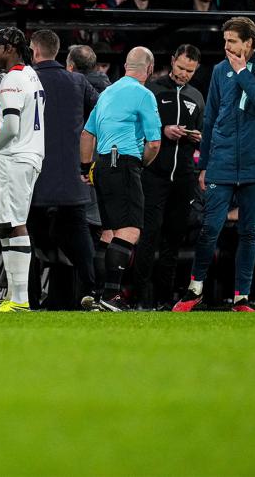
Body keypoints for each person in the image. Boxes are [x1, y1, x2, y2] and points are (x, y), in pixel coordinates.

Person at [175, 17, 255, 312]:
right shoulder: (219, 70)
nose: (226, 47)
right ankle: (194, 290)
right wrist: (205, 163)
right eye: (224, 41)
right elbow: (211, 117)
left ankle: (241, 298)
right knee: (209, 227)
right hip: (223, 159)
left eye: (232, 41)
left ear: (249, 42)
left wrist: (242, 72)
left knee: (249, 231)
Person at [80, 47, 163, 311]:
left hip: (102, 164)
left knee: (109, 231)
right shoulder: (144, 95)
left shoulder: (107, 93)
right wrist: (141, 163)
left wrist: (86, 169)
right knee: (130, 231)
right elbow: (154, 143)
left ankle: (97, 294)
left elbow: (86, 135)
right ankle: (111, 297)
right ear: (149, 69)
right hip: (124, 161)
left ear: (127, 66)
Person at [0, 27, 45, 313]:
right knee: (7, 225)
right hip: (28, 155)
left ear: (9, 48)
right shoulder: (30, 75)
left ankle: (20, 299)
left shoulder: (13, 79)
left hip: (13, 157)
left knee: (13, 224)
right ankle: (16, 298)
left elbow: (11, 127)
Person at [28, 30, 100, 309]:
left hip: (35, 177)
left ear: (34, 51)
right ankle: (91, 293)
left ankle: (29, 299)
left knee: (27, 241)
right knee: (81, 245)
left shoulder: (27, 80)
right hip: (72, 178)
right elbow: (101, 111)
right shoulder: (77, 82)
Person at [136, 45, 204, 308]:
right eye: (180, 67)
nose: (184, 74)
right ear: (172, 61)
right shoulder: (152, 91)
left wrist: (197, 137)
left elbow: (201, 130)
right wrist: (163, 130)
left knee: (173, 240)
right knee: (148, 236)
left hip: (184, 177)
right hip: (154, 175)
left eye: (190, 71)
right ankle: (140, 298)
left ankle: (165, 300)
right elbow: (137, 127)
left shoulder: (196, 96)